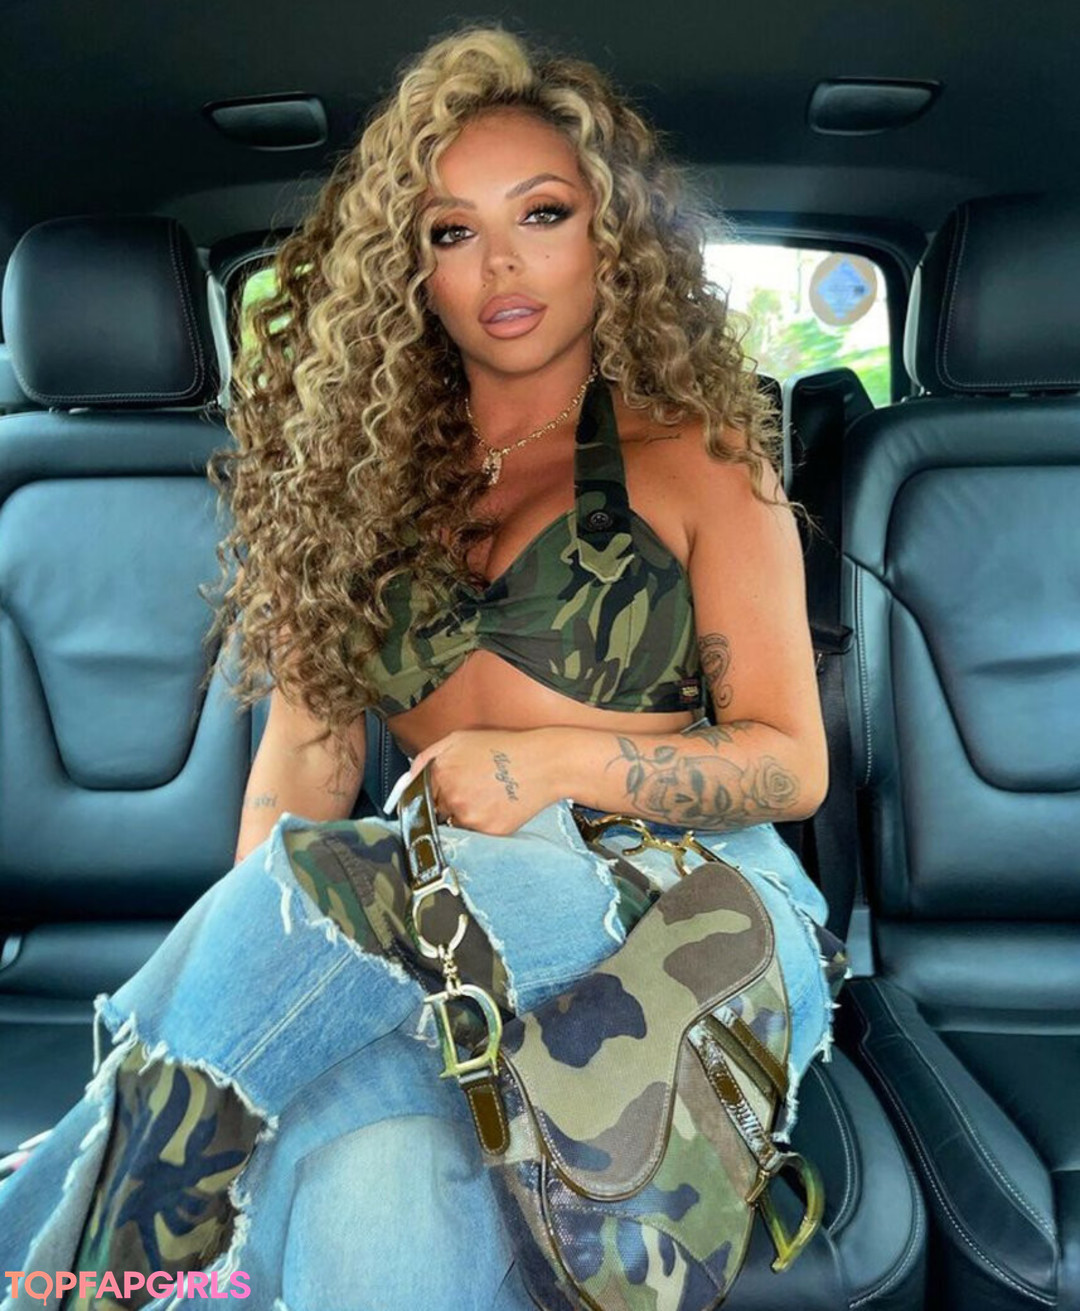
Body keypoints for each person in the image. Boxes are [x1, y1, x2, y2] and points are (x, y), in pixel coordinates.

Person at [0, 25, 848, 1311]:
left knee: (342, 896)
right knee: (369, 1171)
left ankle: (50, 1265)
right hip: (437, 935)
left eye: (543, 214)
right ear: (412, 269)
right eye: (453, 231)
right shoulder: (350, 494)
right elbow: (299, 779)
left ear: (611, 236)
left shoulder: (702, 461)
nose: (501, 263)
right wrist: (265, 982)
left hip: (683, 908)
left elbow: (790, 765)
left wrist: (549, 763)